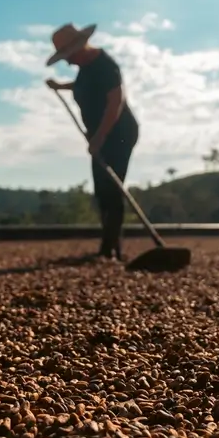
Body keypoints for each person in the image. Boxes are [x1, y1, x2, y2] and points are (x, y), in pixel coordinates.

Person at [45, 22, 139, 261]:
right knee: (101, 191)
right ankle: (109, 246)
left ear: (80, 47)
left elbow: (115, 103)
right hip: (99, 136)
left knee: (112, 188)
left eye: (68, 55)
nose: (67, 62)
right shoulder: (86, 68)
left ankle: (111, 250)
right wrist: (60, 86)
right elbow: (82, 86)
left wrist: (99, 137)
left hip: (118, 134)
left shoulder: (106, 65)